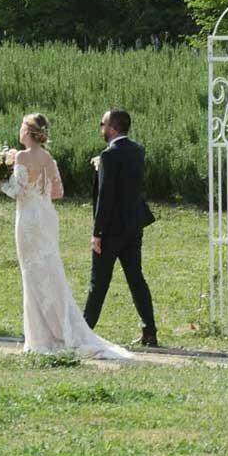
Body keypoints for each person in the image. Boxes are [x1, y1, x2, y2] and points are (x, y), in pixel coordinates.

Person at [0, 113, 131, 360]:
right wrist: (40, 193)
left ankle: (40, 336)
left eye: (21, 127)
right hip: (47, 216)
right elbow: (58, 192)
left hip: (28, 219)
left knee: (31, 273)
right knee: (51, 269)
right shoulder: (49, 158)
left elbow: (17, 190)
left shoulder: (21, 156)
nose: (19, 132)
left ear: (28, 132)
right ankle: (62, 327)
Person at [83, 108, 158, 347]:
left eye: (103, 124)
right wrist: (101, 166)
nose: (101, 128)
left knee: (99, 281)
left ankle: (84, 330)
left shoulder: (109, 156)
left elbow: (106, 197)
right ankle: (150, 331)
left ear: (113, 128)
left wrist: (98, 233)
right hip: (134, 224)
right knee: (136, 279)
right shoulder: (137, 151)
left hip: (112, 228)